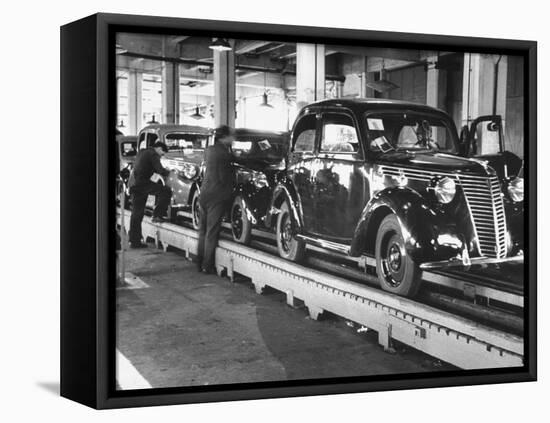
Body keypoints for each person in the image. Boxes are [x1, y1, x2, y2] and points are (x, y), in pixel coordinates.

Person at [197, 125, 235, 273]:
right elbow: (225, 176)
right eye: (231, 136)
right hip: (217, 196)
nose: (233, 139)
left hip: (205, 193)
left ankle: (199, 262)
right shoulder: (224, 153)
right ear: (224, 137)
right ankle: (208, 265)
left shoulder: (209, 150)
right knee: (212, 232)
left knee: (202, 231)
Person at [128, 141, 173, 248]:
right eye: (162, 153)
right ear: (159, 148)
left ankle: (134, 241)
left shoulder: (142, 152)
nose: (161, 156)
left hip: (134, 183)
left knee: (136, 213)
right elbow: (160, 170)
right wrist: (171, 172)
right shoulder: (153, 154)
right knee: (166, 191)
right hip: (142, 183)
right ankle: (157, 215)